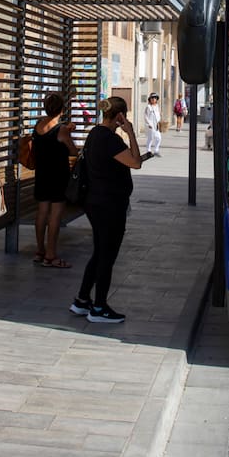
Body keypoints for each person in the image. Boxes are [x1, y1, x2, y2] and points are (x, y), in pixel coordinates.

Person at [69, 95, 144, 324]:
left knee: (100, 252)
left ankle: (82, 300)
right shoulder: (110, 140)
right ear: (120, 116)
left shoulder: (94, 133)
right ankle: (99, 307)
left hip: (94, 201)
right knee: (107, 256)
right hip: (109, 204)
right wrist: (131, 133)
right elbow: (136, 162)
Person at [32, 91, 79, 269]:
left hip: (41, 174)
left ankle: (40, 251)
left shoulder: (38, 125)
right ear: (62, 110)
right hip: (58, 176)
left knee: (42, 212)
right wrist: (69, 132)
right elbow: (73, 151)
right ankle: (51, 255)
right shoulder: (61, 130)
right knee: (55, 215)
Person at [143, 92, 163, 158]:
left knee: (158, 138)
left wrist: (160, 121)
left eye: (155, 98)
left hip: (156, 125)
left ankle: (156, 150)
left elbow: (158, 115)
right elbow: (146, 116)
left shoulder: (157, 106)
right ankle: (148, 151)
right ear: (150, 99)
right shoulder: (148, 107)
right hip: (151, 125)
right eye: (152, 98)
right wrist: (149, 124)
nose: (153, 99)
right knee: (150, 138)